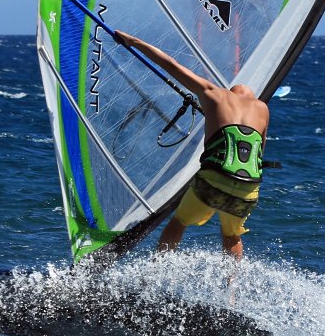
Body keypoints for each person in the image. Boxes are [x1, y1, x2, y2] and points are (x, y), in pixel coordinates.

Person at [114, 30, 269, 261]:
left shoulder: (214, 94)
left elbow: (172, 65)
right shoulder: (262, 109)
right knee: (232, 236)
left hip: (214, 180)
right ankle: (232, 294)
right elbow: (260, 152)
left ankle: (155, 274)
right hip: (247, 188)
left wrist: (134, 41)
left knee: (178, 223)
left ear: (231, 91)